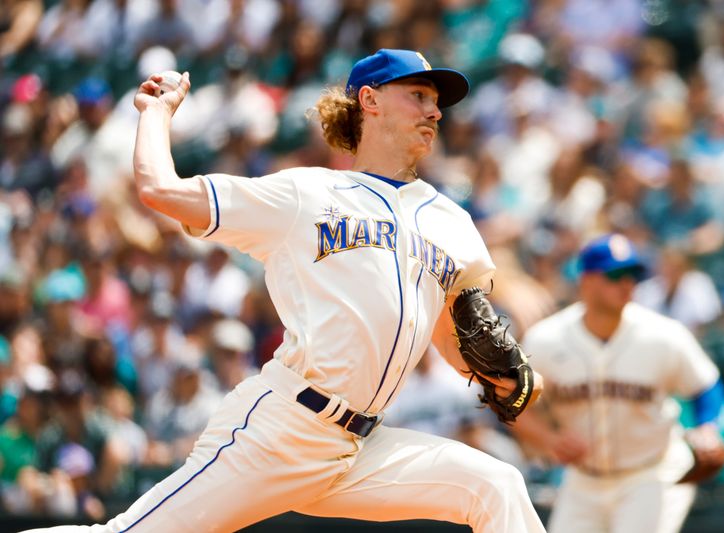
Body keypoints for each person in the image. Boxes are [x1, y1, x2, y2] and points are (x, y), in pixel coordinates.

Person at [23, 49, 545, 532]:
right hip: (283, 431)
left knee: (496, 485)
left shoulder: (451, 221)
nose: (434, 112)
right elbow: (161, 190)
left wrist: (499, 378)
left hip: (363, 449)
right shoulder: (306, 193)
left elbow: (452, 335)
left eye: (437, 103)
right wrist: (156, 115)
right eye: (419, 96)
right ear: (370, 100)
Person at [515, 233, 724, 533]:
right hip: (583, 480)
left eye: (633, 274)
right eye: (615, 275)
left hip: (650, 475)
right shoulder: (546, 339)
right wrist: (549, 439)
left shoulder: (663, 334)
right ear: (586, 281)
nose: (627, 283)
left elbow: (706, 386)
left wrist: (708, 426)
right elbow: (510, 404)